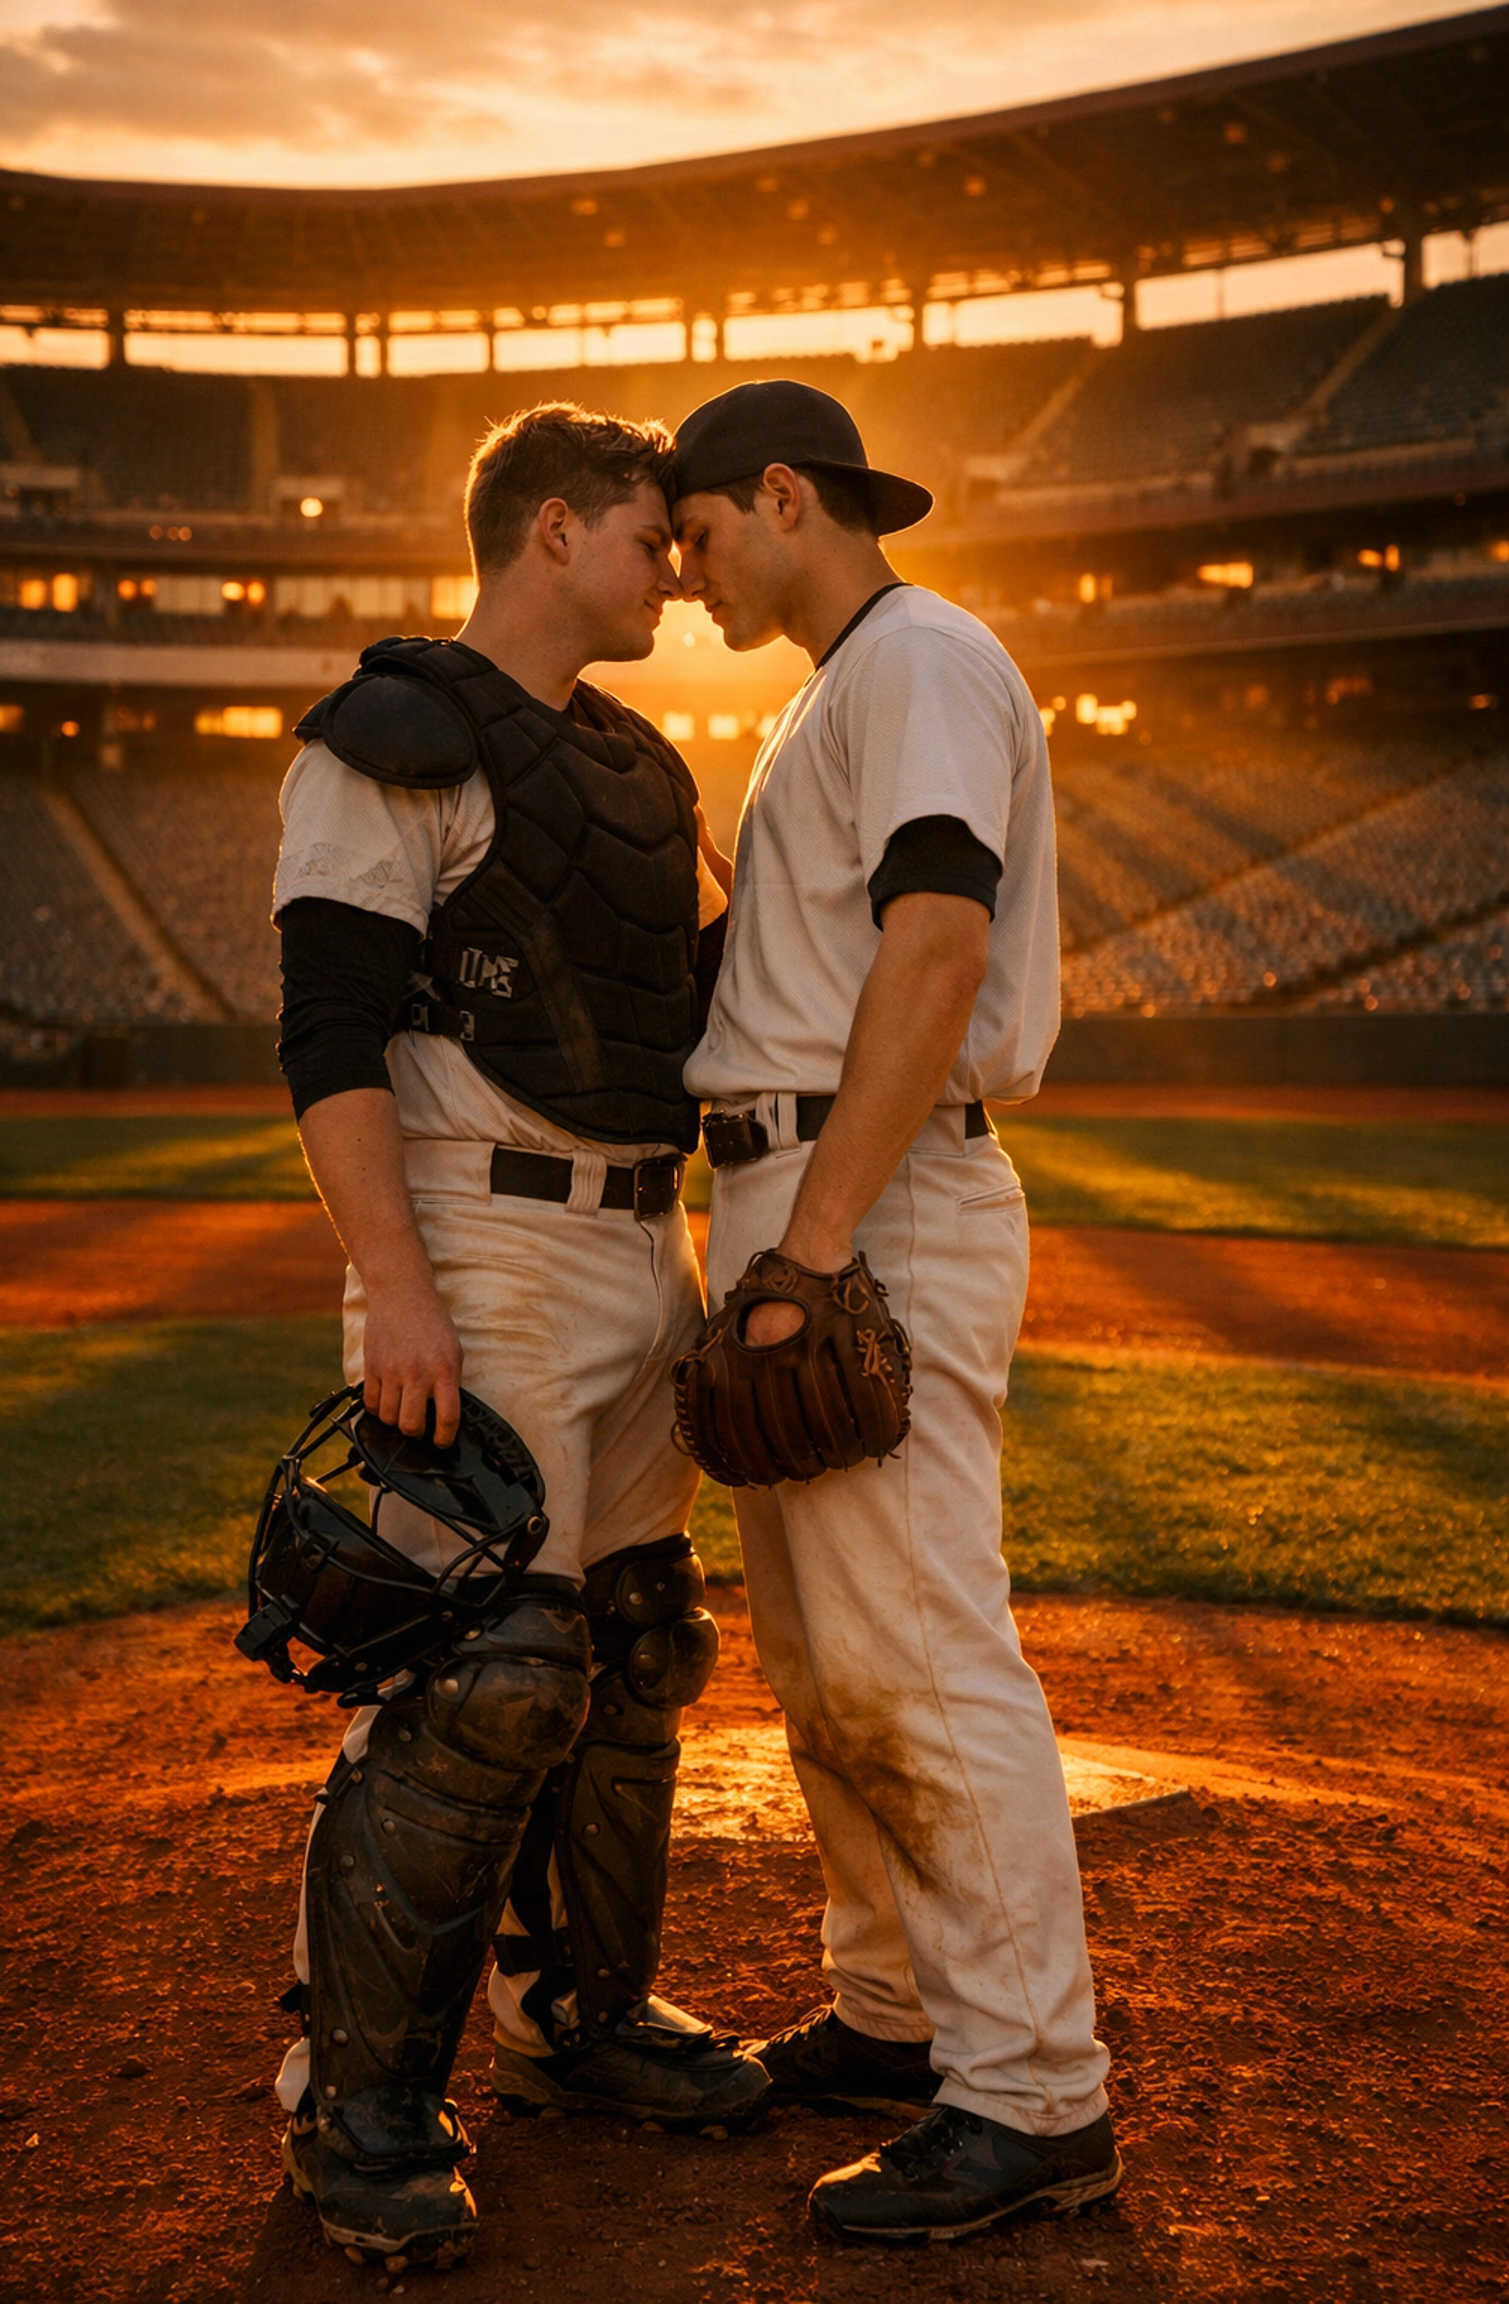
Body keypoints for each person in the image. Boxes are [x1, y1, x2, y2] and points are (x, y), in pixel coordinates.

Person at [268, 401, 767, 2269]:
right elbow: (328, 1032)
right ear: (554, 530)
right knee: (485, 1670)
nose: (675, 569)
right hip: (480, 1241)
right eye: (653, 538)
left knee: (635, 1643)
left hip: (648, 1242)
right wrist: (394, 1285)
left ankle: (581, 2017)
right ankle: (360, 2100)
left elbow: (698, 993)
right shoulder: (393, 729)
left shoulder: (640, 764)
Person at [667, 379, 1120, 2245]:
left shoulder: (920, 654)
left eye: (698, 535)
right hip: (806, 1183)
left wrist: (815, 1248)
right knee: (823, 1656)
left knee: (921, 1646)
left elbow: (938, 943)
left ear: (785, 496)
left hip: (877, 1194)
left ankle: (1033, 2096)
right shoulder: (837, 689)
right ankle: (896, 2013)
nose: (686, 577)